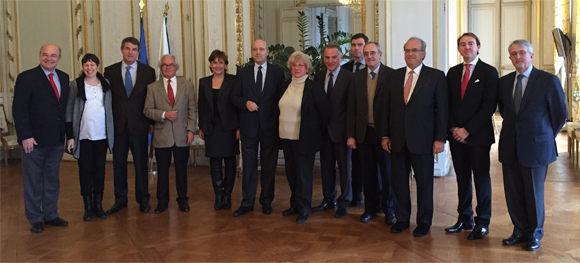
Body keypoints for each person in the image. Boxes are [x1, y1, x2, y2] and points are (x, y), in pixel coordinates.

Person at [497, 40, 566, 251]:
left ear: (531, 55)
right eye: (513, 54)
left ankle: (534, 234)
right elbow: (504, 112)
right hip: (510, 146)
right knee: (513, 192)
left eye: (522, 53)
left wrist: (543, 135)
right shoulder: (504, 82)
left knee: (533, 193)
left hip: (536, 147)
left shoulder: (548, 80)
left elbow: (559, 115)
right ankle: (519, 230)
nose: (517, 57)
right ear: (510, 58)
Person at [381, 37, 448, 237]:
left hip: (424, 141)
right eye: (407, 50)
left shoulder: (436, 76)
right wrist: (385, 135)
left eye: (415, 50)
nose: (410, 54)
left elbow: (442, 111)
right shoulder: (394, 76)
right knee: (399, 183)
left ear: (423, 53)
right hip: (397, 141)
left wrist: (440, 139)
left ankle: (424, 222)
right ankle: (402, 219)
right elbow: (386, 109)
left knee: (424, 184)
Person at [445, 33, 498, 240]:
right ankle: (464, 218)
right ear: (458, 48)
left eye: (471, 44)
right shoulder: (453, 72)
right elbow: (446, 104)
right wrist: (453, 129)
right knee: (462, 179)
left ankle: (482, 222)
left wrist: (467, 130)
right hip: (456, 137)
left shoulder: (489, 72)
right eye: (462, 44)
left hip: (478, 137)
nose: (467, 47)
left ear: (478, 47)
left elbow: (488, 107)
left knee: (481, 180)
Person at [13, 44, 70, 233]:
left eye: (53, 55)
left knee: (52, 180)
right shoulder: (26, 78)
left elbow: (63, 110)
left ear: (59, 58)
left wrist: (67, 136)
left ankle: (51, 214)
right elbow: (19, 110)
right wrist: (25, 136)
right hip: (33, 141)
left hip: (56, 141)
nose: (49, 58)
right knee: (33, 181)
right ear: (40, 56)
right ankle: (35, 217)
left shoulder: (63, 77)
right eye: (45, 55)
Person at [231, 39, 285, 217]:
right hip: (249, 127)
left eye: (261, 49)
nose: (258, 52)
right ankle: (247, 202)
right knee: (249, 167)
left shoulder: (278, 73)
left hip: (270, 127)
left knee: (269, 167)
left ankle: (266, 201)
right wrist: (245, 102)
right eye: (255, 49)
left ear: (268, 51)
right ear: (252, 52)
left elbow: (281, 101)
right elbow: (234, 97)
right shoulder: (243, 72)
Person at [104, 37, 156, 214]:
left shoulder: (148, 72)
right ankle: (120, 200)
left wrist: (151, 123)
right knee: (118, 164)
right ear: (121, 50)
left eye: (134, 49)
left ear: (138, 52)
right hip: (118, 126)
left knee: (141, 164)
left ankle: (143, 199)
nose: (130, 52)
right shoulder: (109, 71)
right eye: (127, 48)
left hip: (140, 125)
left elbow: (151, 100)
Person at [346, 42, 396, 224]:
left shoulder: (391, 75)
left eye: (373, 53)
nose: (369, 57)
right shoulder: (356, 77)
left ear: (380, 54)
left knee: (388, 173)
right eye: (366, 54)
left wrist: (389, 134)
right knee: (368, 173)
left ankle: (389, 210)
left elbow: (394, 108)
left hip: (384, 135)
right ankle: (370, 208)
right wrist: (351, 135)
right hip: (363, 134)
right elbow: (351, 107)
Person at [279, 51, 331, 223]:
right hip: (285, 137)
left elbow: (325, 113)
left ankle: (304, 208)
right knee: (291, 173)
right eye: (294, 65)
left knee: (304, 175)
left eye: (300, 65)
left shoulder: (314, 87)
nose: (297, 68)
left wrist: (314, 132)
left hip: (304, 139)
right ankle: (294, 204)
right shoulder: (285, 84)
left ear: (307, 68)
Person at [144, 54, 196, 214]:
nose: (168, 67)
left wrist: (191, 130)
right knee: (163, 171)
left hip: (182, 135)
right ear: (161, 68)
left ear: (176, 67)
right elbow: (147, 110)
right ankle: (162, 201)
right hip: (162, 136)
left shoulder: (187, 85)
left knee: (181, 170)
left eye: (171, 65)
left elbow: (192, 109)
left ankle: (182, 200)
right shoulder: (152, 87)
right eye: (165, 65)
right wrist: (163, 114)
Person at [65, 53, 115, 221]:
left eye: (92, 65)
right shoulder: (75, 84)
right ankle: (87, 207)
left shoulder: (105, 84)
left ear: (98, 66)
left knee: (100, 170)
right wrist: (70, 136)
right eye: (86, 65)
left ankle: (98, 206)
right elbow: (69, 110)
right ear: (83, 67)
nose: (89, 68)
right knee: (85, 171)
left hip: (101, 134)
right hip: (83, 135)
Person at [312, 43, 354, 218]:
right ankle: (328, 199)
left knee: (344, 169)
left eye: (334, 57)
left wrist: (351, 134)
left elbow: (352, 108)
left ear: (341, 57)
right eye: (327, 57)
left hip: (342, 132)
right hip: (324, 132)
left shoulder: (350, 77)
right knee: (326, 168)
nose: (330, 61)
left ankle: (345, 201)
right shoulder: (319, 76)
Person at [198, 50, 240, 210]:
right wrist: (201, 126)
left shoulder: (234, 81)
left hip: (229, 128)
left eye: (221, 62)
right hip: (211, 128)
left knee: (230, 162)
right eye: (214, 62)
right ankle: (218, 194)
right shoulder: (204, 82)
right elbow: (201, 106)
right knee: (214, 163)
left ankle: (228, 194)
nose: (217, 65)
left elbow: (237, 106)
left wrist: (238, 127)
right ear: (210, 64)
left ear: (225, 65)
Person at [341, 33, 368, 207]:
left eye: (360, 45)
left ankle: (374, 199)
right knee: (355, 163)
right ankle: (356, 195)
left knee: (370, 164)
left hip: (368, 125)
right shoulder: (345, 69)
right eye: (353, 45)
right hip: (350, 124)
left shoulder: (376, 67)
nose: (356, 48)